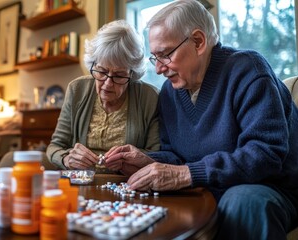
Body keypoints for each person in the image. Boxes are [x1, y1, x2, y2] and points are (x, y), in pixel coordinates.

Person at [105, 1, 298, 239]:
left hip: (269, 189)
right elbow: (177, 156)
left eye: (165, 55)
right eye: (154, 57)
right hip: (209, 188)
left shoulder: (248, 70)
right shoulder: (169, 92)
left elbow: (265, 154)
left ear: (198, 42)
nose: (158, 69)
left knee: (243, 201)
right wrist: (146, 160)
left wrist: (185, 174)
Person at [46, 20, 160, 176]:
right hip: (81, 182)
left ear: (132, 74)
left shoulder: (149, 98)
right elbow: (54, 147)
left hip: (128, 185)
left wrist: (130, 159)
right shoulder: (77, 90)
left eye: (119, 75)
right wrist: (67, 159)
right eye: (101, 71)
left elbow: (157, 154)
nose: (107, 83)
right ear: (93, 65)